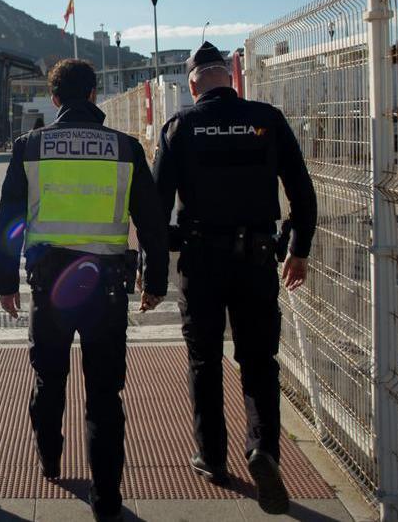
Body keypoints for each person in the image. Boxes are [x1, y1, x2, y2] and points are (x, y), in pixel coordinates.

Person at [0, 58, 168, 522]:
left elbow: (9, 220)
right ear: (94, 94)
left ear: (54, 100)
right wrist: (156, 281)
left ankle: (51, 457)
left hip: (49, 286)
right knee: (105, 394)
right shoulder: (126, 148)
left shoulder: (30, 147)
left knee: (49, 379)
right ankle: (107, 497)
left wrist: (5, 282)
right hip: (106, 287)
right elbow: (152, 224)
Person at [151, 41, 317, 515]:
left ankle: (212, 457)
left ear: (192, 83)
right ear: (230, 77)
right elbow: (303, 194)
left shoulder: (180, 128)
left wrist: (157, 269)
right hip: (258, 257)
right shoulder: (268, 120)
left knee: (204, 360)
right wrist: (299, 249)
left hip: (201, 260)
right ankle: (263, 449)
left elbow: (156, 207)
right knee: (259, 360)